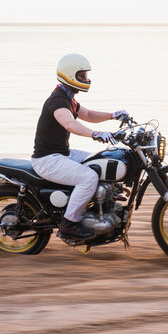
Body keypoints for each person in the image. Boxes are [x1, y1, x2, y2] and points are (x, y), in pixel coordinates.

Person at [31, 54, 128, 240]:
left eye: (85, 75)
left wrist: (114, 115)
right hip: (47, 160)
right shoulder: (57, 100)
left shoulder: (69, 98)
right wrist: (96, 134)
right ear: (70, 75)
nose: (85, 79)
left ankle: (103, 202)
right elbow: (69, 124)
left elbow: (89, 114)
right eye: (82, 75)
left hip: (61, 154)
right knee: (88, 177)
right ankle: (69, 223)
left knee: (100, 162)